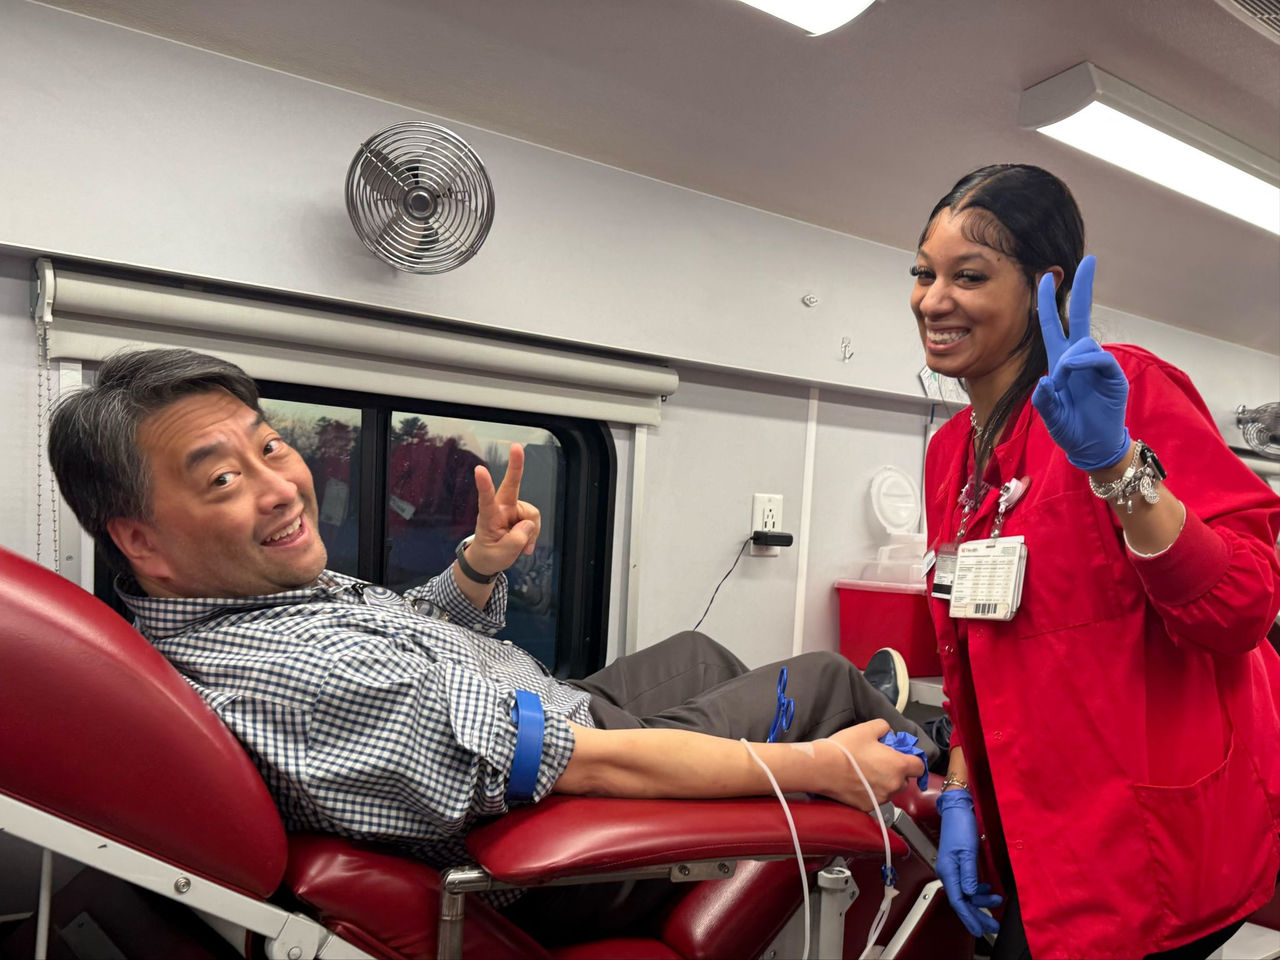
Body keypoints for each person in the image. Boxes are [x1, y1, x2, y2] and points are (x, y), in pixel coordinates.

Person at [46, 347, 934, 936]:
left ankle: (865, 730)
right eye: (225, 477)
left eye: (271, 447)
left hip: (561, 718)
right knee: (821, 681)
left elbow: (410, 643)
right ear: (141, 541)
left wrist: (476, 567)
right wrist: (816, 768)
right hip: (569, 841)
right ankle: (939, 798)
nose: (282, 487)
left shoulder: (259, 608)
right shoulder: (295, 675)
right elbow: (592, 769)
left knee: (698, 655)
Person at [911, 164, 1280, 960]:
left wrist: (1115, 464)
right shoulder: (950, 455)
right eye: (923, 272)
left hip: (1147, 838)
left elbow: (1242, 607)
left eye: (968, 276)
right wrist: (964, 796)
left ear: (1046, 284)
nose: (933, 300)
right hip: (1028, 827)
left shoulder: (1131, 391)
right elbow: (975, 641)